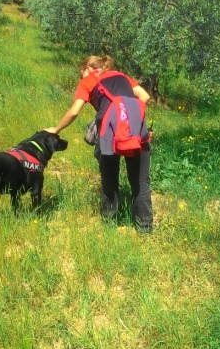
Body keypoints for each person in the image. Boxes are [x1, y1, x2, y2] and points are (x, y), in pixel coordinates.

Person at [44, 55, 153, 233]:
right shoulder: (122, 76)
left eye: (82, 72)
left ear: (87, 69)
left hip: (109, 132)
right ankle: (145, 230)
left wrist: (55, 129)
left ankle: (109, 226)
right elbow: (145, 97)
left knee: (110, 180)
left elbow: (74, 111)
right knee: (140, 182)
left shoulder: (88, 80)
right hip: (137, 131)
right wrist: (129, 119)